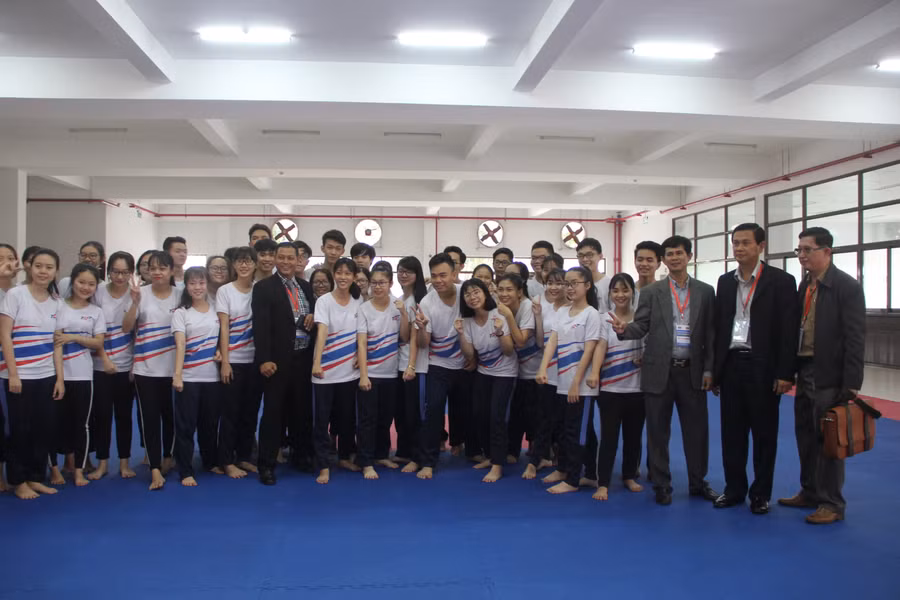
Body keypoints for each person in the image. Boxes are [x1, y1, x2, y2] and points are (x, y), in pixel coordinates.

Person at [609, 235, 718, 505]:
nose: (674, 258)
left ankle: (698, 482)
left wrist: (709, 370)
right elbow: (641, 326)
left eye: (679, 253)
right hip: (659, 370)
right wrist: (624, 330)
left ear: (689, 256)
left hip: (692, 372)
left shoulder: (705, 292)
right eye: (670, 254)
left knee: (697, 431)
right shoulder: (651, 292)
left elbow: (711, 333)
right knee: (658, 431)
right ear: (664, 260)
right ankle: (661, 484)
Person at [779, 227, 865, 525]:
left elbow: (855, 337)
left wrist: (851, 383)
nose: (801, 255)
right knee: (805, 434)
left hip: (829, 373)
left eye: (807, 250)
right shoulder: (806, 285)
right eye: (799, 250)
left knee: (828, 439)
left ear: (827, 251)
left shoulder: (845, 286)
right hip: (805, 368)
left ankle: (832, 502)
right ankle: (810, 491)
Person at [711, 224, 798, 515]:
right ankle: (734, 489)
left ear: (761, 246)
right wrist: (716, 371)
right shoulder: (725, 282)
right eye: (735, 243)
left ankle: (760, 494)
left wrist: (785, 373)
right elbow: (719, 327)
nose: (739, 248)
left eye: (745, 243)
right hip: (732, 365)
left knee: (764, 435)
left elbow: (788, 331)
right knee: (731, 434)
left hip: (764, 368)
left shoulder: (781, 281)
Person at [0, 248, 64, 500]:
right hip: (19, 376)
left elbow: (57, 343)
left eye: (49, 267)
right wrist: (13, 374)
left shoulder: (56, 302)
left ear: (56, 271)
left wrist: (59, 379)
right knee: (20, 429)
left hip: (46, 375)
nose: (43, 271)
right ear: (29, 267)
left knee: (43, 428)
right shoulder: (16, 295)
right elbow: (5, 335)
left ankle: (35, 477)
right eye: (38, 266)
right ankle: (18, 480)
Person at [252, 242, 317, 485]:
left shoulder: (305, 287)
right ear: (275, 259)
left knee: (302, 411)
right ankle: (266, 465)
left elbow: (313, 317)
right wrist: (264, 359)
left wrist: (312, 316)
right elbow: (260, 326)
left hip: (303, 358)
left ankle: (301, 456)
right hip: (277, 361)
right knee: (273, 413)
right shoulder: (264, 287)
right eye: (282, 257)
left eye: (291, 258)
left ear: (298, 260)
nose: (287, 262)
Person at [535, 266, 601, 494]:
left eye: (574, 283)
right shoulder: (563, 311)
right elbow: (552, 343)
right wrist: (543, 368)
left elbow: (589, 350)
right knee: (564, 429)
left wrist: (575, 383)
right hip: (561, 382)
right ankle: (573, 471)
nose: (569, 288)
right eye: (567, 283)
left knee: (577, 432)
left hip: (581, 387)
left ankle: (573, 478)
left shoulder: (591, 314)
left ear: (587, 286)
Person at [414, 253, 475, 479]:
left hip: (465, 363)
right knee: (433, 411)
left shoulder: (466, 295)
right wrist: (422, 327)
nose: (438, 280)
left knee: (467, 410)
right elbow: (424, 343)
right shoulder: (427, 302)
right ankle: (428, 461)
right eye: (434, 276)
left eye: (443, 275)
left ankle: (466, 447)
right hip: (437, 365)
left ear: (455, 273)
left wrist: (475, 358)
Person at [124, 250, 178, 491]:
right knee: (150, 419)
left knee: (171, 417)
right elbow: (126, 327)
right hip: (145, 369)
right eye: (152, 268)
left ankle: (168, 456)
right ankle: (154, 467)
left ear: (171, 271)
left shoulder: (180, 295)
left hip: (174, 369)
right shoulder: (140, 293)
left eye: (162, 268)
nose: (157, 272)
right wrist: (135, 303)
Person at [590, 273, 645, 502]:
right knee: (609, 437)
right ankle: (603, 482)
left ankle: (629, 475)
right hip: (610, 389)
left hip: (637, 389)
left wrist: (645, 358)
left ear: (633, 292)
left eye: (625, 290)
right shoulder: (604, 318)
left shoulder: (641, 319)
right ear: (610, 293)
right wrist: (595, 372)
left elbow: (650, 344)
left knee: (634, 436)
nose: (620, 295)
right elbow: (600, 346)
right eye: (615, 290)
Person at [458, 278, 517, 483]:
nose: (472, 297)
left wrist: (500, 331)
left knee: (496, 416)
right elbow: (469, 355)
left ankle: (498, 464)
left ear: (485, 293)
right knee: (479, 414)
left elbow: (508, 351)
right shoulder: (467, 321)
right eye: (467, 294)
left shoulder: (498, 314)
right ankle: (491, 456)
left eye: (476, 292)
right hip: (484, 371)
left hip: (505, 373)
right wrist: (461, 334)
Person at [53, 264, 105, 487]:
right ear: (72, 281)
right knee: (56, 423)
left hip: (84, 375)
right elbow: (57, 342)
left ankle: (78, 471)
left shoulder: (96, 312)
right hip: (58, 375)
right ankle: (56, 469)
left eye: (91, 284)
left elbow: (98, 342)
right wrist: (59, 378)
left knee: (81, 425)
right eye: (81, 282)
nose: (85, 287)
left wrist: (73, 337)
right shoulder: (58, 306)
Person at [312, 257, 362, 484]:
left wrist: (359, 356)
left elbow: (362, 334)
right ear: (334, 275)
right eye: (339, 272)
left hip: (349, 371)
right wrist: (317, 362)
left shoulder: (359, 301)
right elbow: (322, 331)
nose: (343, 277)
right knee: (322, 421)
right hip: (325, 371)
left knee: (347, 418)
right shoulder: (324, 301)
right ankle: (323, 465)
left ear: (354, 277)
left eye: (347, 273)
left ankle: (343, 457)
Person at [356, 262, 409, 479]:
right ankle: (366, 461)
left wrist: (404, 313)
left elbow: (404, 337)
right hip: (371, 373)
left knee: (385, 419)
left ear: (390, 283)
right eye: (374, 283)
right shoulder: (364, 309)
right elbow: (361, 343)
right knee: (367, 419)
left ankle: (381, 455)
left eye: (382, 283)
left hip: (391, 373)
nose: (378, 287)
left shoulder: (397, 306)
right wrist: (363, 375)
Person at [171, 267, 223, 487]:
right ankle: (185, 470)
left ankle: (210, 461)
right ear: (186, 286)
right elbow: (180, 344)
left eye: (201, 283)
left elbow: (222, 337)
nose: (197, 287)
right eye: (192, 283)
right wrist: (178, 375)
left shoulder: (215, 310)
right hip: (189, 377)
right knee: (186, 426)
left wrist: (220, 350)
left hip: (212, 378)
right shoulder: (181, 313)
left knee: (209, 424)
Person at [91, 251, 137, 480]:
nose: (120, 277)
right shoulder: (98, 292)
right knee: (102, 417)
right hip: (99, 366)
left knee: (124, 416)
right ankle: (102, 463)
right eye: (115, 272)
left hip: (125, 366)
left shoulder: (136, 294)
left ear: (131, 273)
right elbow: (93, 329)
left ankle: (124, 462)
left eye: (125, 272)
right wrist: (104, 359)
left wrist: (135, 302)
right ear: (108, 271)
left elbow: (132, 330)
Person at [217, 246, 262, 477]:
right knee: (230, 412)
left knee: (250, 412)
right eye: (240, 261)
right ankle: (226, 460)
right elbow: (224, 327)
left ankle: (244, 456)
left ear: (255, 265)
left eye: (248, 261)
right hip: (233, 360)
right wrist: (225, 361)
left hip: (255, 361)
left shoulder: (260, 290)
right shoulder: (225, 291)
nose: (244, 265)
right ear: (233, 265)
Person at [523, 267, 567, 480]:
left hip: (569, 373)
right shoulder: (542, 306)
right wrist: (539, 316)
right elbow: (541, 342)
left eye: (559, 283)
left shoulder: (575, 308)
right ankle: (536, 460)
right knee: (543, 419)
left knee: (566, 422)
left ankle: (565, 462)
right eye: (550, 283)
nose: (554, 287)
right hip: (547, 370)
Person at [495, 273, 538, 464]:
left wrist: (508, 316)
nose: (504, 294)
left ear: (520, 292)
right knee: (515, 412)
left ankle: (540, 453)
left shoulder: (527, 306)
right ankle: (512, 450)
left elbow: (520, 340)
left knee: (535, 414)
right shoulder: (498, 308)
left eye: (509, 290)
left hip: (535, 370)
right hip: (513, 370)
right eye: (500, 289)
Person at [395, 256, 428, 469]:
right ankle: (404, 451)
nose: (403, 275)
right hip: (399, 364)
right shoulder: (400, 299)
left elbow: (410, 337)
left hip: (415, 366)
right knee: (401, 413)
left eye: (408, 271)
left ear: (417, 275)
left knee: (414, 413)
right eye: (400, 271)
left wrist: (412, 366)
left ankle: (418, 457)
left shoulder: (420, 301)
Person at [0, 243, 19, 491]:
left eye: (10, 258)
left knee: (8, 422)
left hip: (10, 367)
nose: (6, 263)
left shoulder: (18, 293)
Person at [576, 238, 610, 311]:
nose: (585, 259)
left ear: (600, 256)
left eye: (589, 255)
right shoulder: (575, 284)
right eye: (581, 255)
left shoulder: (609, 284)